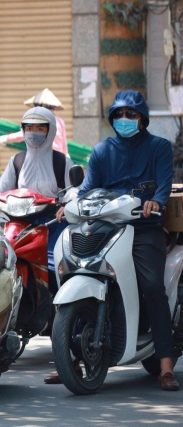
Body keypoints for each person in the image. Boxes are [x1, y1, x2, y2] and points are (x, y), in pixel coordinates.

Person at [51, 90, 179, 391]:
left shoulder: (159, 147)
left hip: (143, 227)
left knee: (152, 286)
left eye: (130, 114)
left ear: (142, 118)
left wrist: (155, 203)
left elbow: (164, 184)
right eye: (119, 114)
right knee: (68, 272)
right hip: (105, 225)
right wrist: (68, 205)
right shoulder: (102, 150)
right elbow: (87, 188)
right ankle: (68, 357)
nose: (124, 119)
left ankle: (165, 365)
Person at [0, 106, 75, 291]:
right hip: (21, 223)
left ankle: (59, 314)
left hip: (53, 223)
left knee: (54, 270)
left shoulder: (62, 161)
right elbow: (1, 192)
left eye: (40, 129)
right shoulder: (16, 161)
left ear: (50, 131)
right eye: (29, 128)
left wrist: (68, 204)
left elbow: (74, 189)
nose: (34, 133)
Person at [0, 88, 69, 156]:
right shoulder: (59, 120)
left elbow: (24, 135)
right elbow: (64, 143)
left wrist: (6, 138)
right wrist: (65, 155)